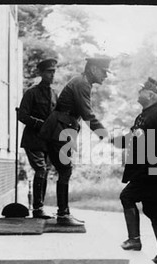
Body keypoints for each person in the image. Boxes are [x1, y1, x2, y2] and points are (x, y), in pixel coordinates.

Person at [111, 78, 157, 264]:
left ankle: (134, 240)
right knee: (153, 211)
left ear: (149, 95)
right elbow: (134, 138)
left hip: (152, 170)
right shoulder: (143, 116)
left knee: (127, 196)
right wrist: (115, 141)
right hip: (146, 170)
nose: (138, 93)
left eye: (141, 90)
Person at [38, 57, 111, 226]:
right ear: (93, 69)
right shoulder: (82, 83)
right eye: (103, 71)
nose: (105, 76)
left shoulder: (82, 82)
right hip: (60, 130)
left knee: (64, 170)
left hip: (63, 128)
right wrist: (104, 134)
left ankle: (63, 213)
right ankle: (63, 215)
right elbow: (87, 114)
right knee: (65, 170)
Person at [18, 58, 58, 219]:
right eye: (49, 72)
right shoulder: (31, 93)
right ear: (41, 73)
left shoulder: (54, 94)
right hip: (33, 139)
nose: (52, 75)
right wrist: (41, 124)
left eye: (54, 72)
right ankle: (37, 209)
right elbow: (22, 115)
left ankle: (39, 208)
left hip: (48, 141)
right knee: (41, 169)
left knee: (45, 171)